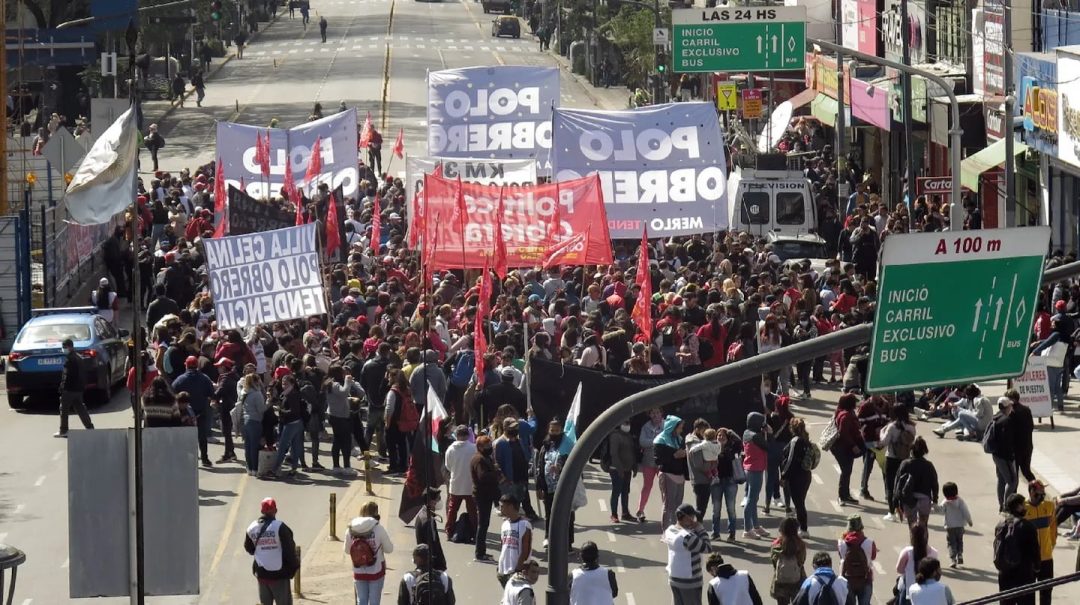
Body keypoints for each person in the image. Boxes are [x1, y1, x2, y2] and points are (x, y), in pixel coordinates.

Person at [244, 497, 299, 605]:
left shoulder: (251, 528)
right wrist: (294, 567)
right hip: (279, 575)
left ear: (261, 511)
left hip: (262, 574)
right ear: (275, 511)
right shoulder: (280, 527)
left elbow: (249, 549)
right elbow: (290, 551)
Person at [995, 493, 1040, 605]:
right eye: (1023, 505)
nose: (1025, 507)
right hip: (1024, 574)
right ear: (1018, 507)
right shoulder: (1028, 526)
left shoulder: (1000, 525)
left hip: (1005, 573)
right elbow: (1035, 550)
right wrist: (1037, 568)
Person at [664, 503, 712, 605]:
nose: (694, 519)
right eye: (692, 516)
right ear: (685, 517)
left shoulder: (670, 530)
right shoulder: (688, 538)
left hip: (674, 578)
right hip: (690, 582)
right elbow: (707, 548)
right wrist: (700, 528)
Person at [172, 355, 216, 466]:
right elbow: (211, 394)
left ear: (186, 365)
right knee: (202, 437)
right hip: (201, 412)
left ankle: (188, 459)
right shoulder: (205, 378)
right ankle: (205, 459)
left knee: (185, 438)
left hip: (184, 415)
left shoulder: (179, 380)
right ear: (197, 366)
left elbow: (172, 393)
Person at [347, 508, 395, 605]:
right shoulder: (378, 528)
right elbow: (389, 549)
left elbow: (347, 550)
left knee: (362, 600)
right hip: (376, 570)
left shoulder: (351, 529)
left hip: (358, 570)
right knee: (374, 601)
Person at [781, 418, 818, 537]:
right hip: (806, 475)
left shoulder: (795, 441)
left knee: (798, 503)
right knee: (800, 502)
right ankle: (802, 527)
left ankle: (803, 528)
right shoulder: (806, 440)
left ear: (792, 428)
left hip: (796, 477)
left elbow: (790, 460)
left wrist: (784, 476)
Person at [880, 404, 917, 522]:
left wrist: (882, 431)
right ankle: (903, 510)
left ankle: (892, 512)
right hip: (905, 459)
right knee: (902, 486)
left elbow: (884, 442)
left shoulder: (891, 426)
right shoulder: (911, 427)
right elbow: (911, 442)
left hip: (892, 458)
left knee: (890, 486)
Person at [1023, 480, 1057, 605]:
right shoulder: (1023, 509)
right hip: (1030, 559)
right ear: (1032, 492)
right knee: (1028, 593)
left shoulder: (1049, 506)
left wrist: (1052, 544)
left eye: (1043, 492)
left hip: (1047, 558)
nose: (1042, 495)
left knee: (1047, 591)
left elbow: (1053, 527)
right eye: (1039, 492)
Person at [893, 437, 938, 529]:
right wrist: (935, 499)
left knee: (912, 527)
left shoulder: (905, 464)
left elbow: (897, 483)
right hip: (925, 498)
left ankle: (914, 542)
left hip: (909, 499)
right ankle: (923, 543)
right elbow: (934, 483)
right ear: (924, 451)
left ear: (911, 450)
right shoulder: (929, 465)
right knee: (923, 526)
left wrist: (896, 503)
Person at [444, 425, 478, 541]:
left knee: (452, 510)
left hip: (456, 485)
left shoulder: (450, 449)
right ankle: (475, 533)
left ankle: (449, 531)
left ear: (456, 435)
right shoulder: (474, 448)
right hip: (470, 485)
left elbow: (448, 466)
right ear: (468, 436)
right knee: (473, 511)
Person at [655, 415, 689, 532]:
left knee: (678, 505)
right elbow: (658, 459)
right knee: (668, 505)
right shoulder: (660, 439)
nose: (681, 430)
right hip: (667, 474)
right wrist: (673, 455)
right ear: (672, 427)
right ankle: (665, 532)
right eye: (679, 427)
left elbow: (683, 454)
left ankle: (676, 530)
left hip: (680, 476)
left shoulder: (679, 439)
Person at [56, 338, 94, 438]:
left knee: (63, 410)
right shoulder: (79, 358)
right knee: (80, 408)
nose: (64, 349)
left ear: (70, 347)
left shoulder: (69, 360)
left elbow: (65, 375)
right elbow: (83, 374)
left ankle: (63, 430)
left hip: (69, 389)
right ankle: (89, 427)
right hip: (79, 389)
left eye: (65, 347)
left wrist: (62, 387)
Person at [831, 393, 865, 505]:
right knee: (846, 471)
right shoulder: (845, 416)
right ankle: (842, 495)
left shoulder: (846, 412)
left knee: (847, 471)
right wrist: (853, 445)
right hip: (842, 448)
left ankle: (845, 494)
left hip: (843, 447)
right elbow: (843, 433)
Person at [602, 419, 638, 523]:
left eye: (628, 423)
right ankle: (614, 514)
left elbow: (632, 452)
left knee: (625, 492)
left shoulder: (629, 436)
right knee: (616, 491)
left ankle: (625, 513)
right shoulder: (615, 436)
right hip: (616, 469)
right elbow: (614, 454)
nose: (627, 425)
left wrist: (634, 466)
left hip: (627, 469)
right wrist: (619, 469)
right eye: (625, 423)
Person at [472, 435, 501, 562]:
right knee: (482, 524)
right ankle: (480, 553)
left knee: (484, 523)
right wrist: (496, 472)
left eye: (490, 445)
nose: (489, 448)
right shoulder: (479, 459)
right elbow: (483, 477)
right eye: (486, 446)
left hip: (486, 494)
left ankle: (481, 552)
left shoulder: (484, 457)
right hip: (483, 495)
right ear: (479, 447)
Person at [988, 397, 1018, 512]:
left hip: (996, 454)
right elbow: (1007, 441)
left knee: (1001, 480)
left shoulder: (996, 417)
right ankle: (1006, 506)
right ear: (1007, 407)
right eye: (1010, 406)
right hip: (1005, 456)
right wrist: (1011, 457)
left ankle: (1001, 504)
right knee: (1012, 482)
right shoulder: (1006, 420)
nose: (1011, 407)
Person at [837, 515, 876, 605]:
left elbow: (841, 556)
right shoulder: (869, 542)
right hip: (865, 579)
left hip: (847, 580)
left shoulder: (841, 543)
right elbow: (873, 557)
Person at [895, 525, 938, 605]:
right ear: (926, 535)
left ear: (912, 536)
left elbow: (899, 569)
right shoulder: (934, 553)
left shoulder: (907, 552)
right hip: (929, 592)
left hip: (909, 590)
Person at [712, 427, 742, 541]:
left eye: (723, 436)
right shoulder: (712, 448)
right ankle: (716, 533)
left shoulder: (732, 448)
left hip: (730, 481)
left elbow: (739, 441)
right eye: (719, 435)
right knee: (716, 508)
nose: (720, 437)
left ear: (727, 438)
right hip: (716, 481)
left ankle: (732, 534)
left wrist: (730, 431)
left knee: (731, 508)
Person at [497, 495, 533, 587]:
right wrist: (499, 565)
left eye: (502, 506)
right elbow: (503, 546)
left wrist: (518, 568)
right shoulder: (504, 524)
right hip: (502, 569)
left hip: (516, 571)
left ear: (511, 507)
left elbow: (525, 550)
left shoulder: (524, 525)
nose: (500, 509)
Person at [770, 516, 807, 605]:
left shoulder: (776, 545)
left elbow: (774, 562)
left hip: (780, 581)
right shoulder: (801, 544)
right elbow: (802, 561)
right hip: (797, 579)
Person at [637, 407, 666, 523]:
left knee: (664, 488)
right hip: (648, 461)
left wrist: (652, 441)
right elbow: (642, 442)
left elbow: (667, 441)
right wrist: (656, 440)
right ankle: (640, 510)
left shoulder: (667, 425)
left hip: (663, 462)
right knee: (647, 487)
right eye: (652, 413)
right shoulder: (646, 427)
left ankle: (666, 512)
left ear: (661, 413)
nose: (655, 415)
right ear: (649, 414)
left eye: (657, 412)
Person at [1004, 388, 1036, 482]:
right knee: (1026, 471)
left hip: (1016, 448)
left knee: (1014, 474)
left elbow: (1009, 431)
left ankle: (1014, 495)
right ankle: (1037, 488)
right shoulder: (1026, 409)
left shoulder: (1011, 412)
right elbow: (1031, 426)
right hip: (1027, 446)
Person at [212, 357, 239, 463]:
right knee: (227, 431)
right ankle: (231, 453)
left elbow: (220, 392)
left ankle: (228, 454)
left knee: (226, 431)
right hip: (232, 406)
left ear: (224, 367)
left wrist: (213, 390)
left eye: (219, 366)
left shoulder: (225, 378)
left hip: (227, 407)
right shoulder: (234, 376)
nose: (218, 368)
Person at [240, 372, 267, 475]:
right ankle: (255, 468)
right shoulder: (257, 394)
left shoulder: (244, 392)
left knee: (248, 446)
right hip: (255, 421)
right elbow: (261, 409)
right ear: (256, 382)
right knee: (254, 447)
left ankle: (249, 468)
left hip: (245, 421)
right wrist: (268, 403)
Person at [414, 487, 447, 572]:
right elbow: (433, 543)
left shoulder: (422, 515)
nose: (438, 502)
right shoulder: (428, 521)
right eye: (437, 499)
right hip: (431, 566)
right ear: (431, 502)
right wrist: (438, 565)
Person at [940, 482, 972, 568]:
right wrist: (969, 521)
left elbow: (941, 511)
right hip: (960, 526)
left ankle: (953, 559)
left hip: (950, 527)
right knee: (959, 541)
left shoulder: (945, 502)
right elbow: (965, 511)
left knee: (951, 543)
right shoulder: (960, 501)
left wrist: (933, 507)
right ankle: (960, 555)